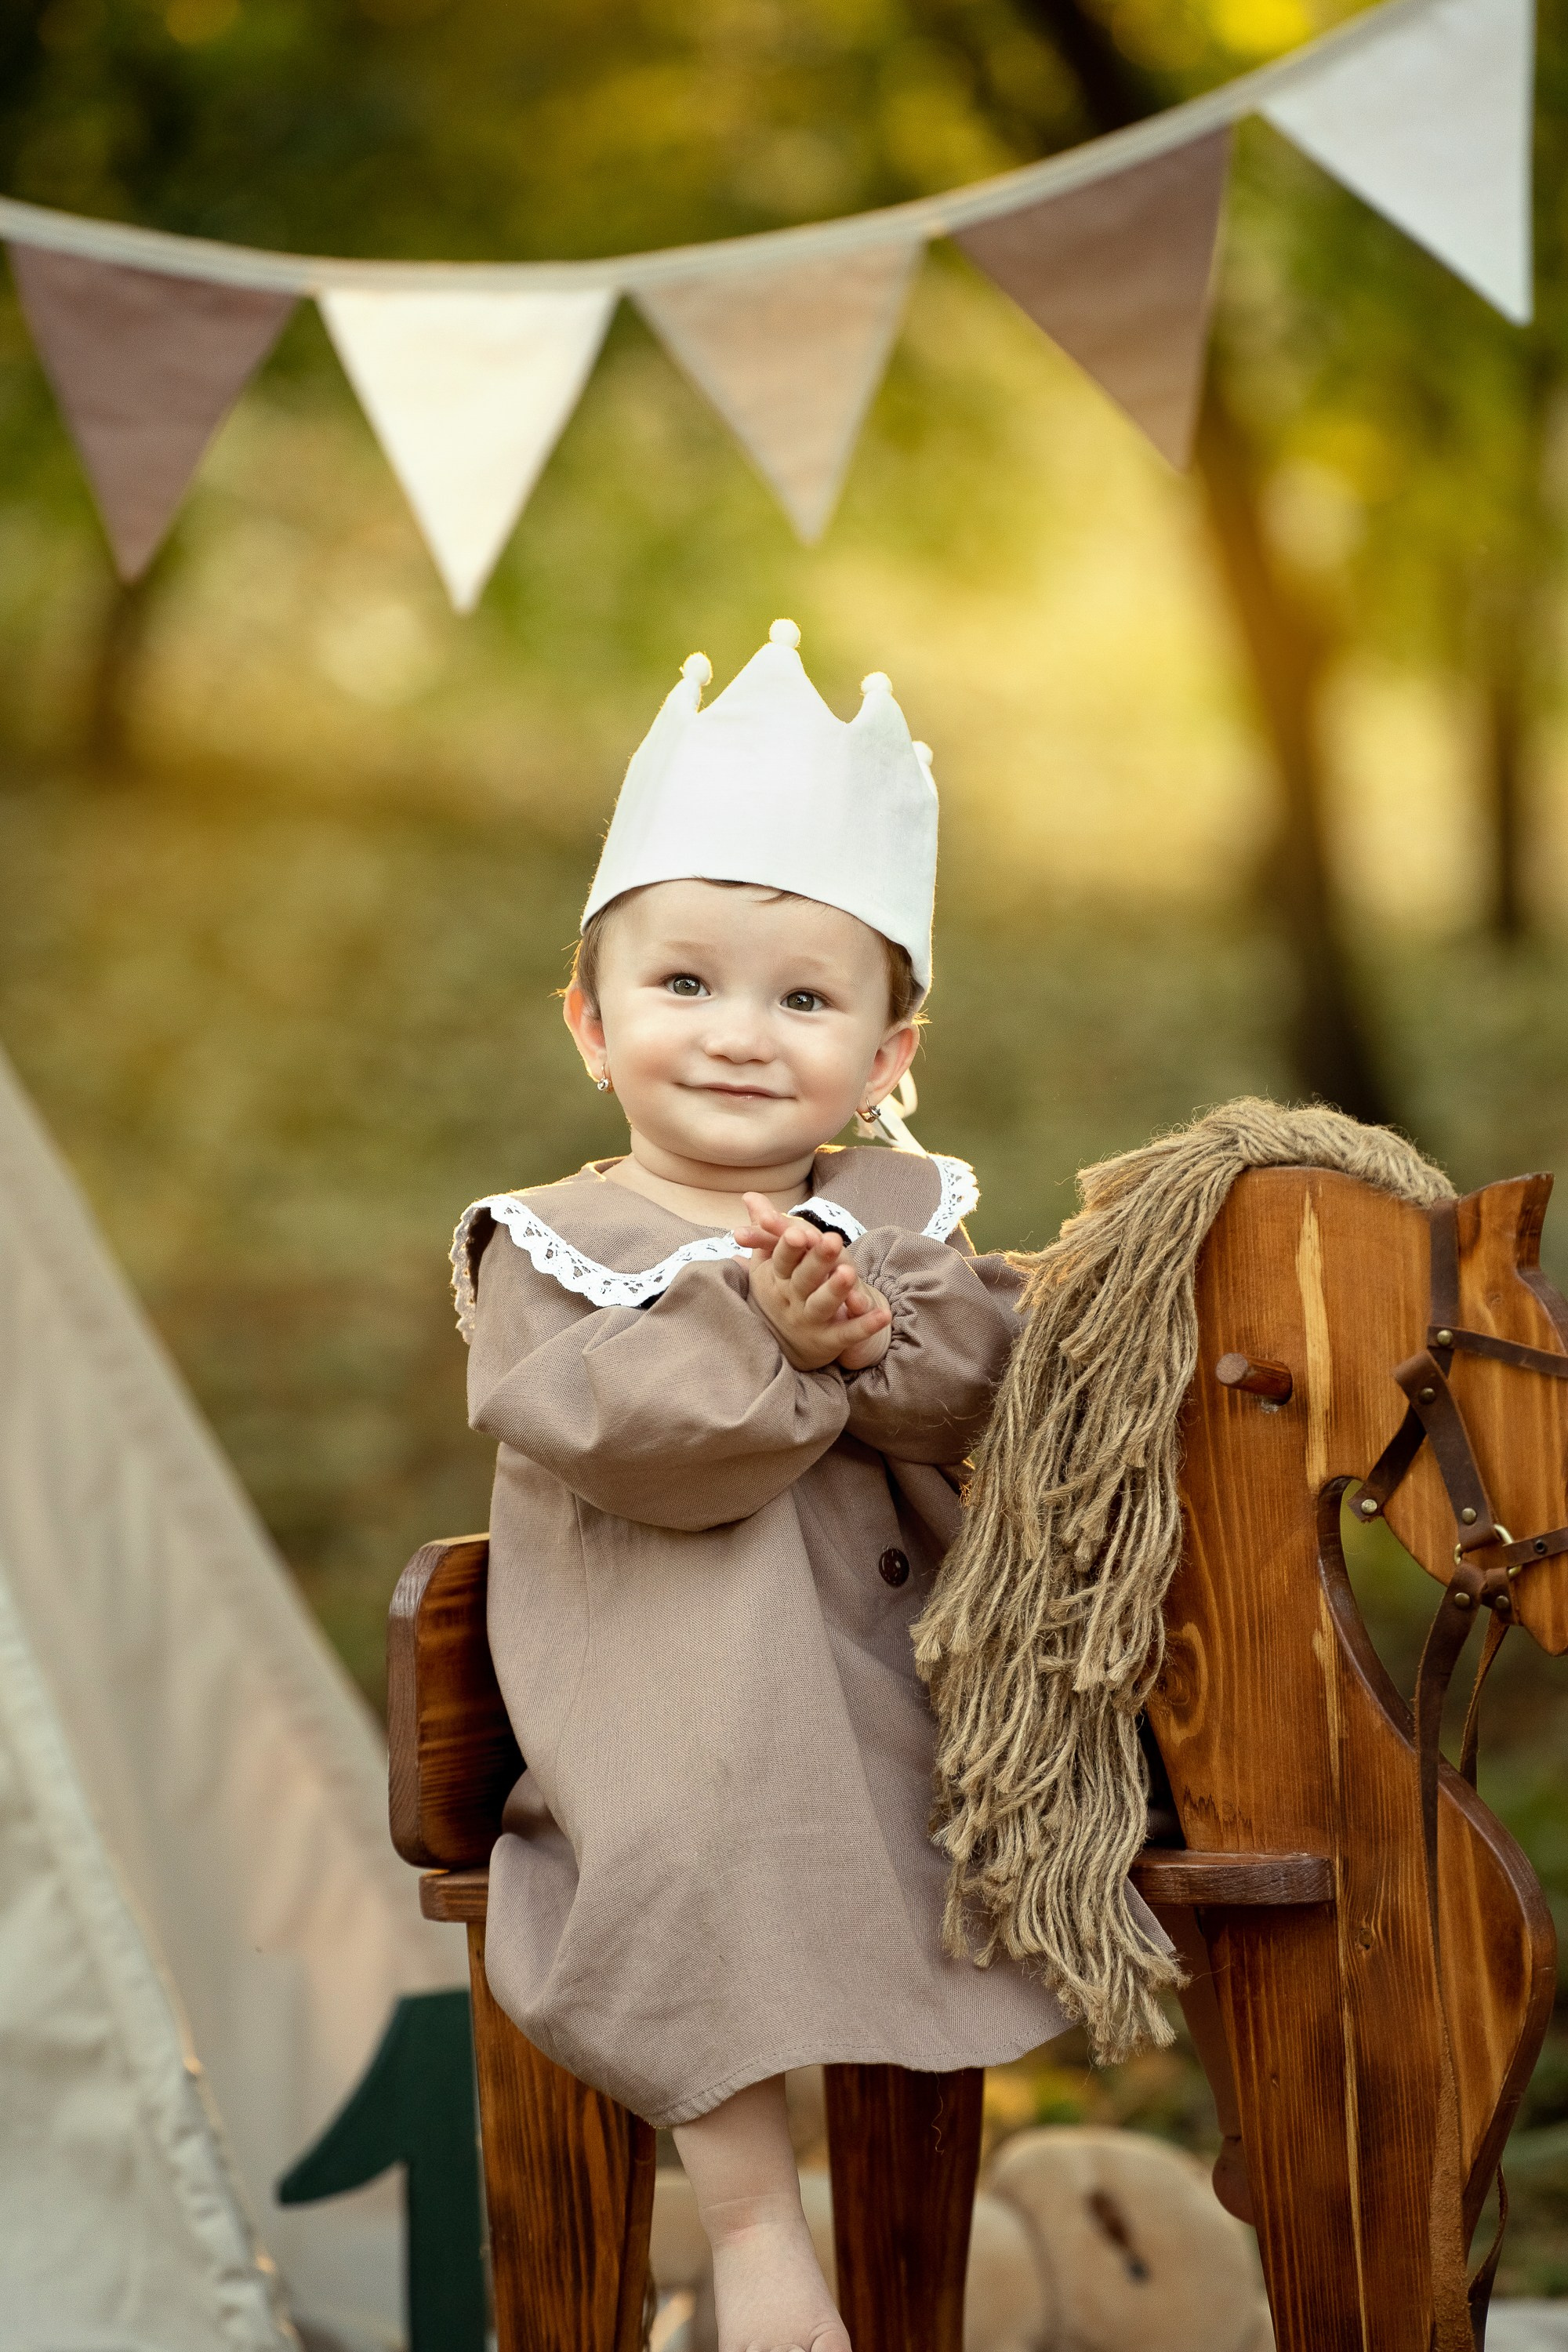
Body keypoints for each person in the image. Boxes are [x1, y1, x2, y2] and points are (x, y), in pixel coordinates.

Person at [452, 622, 1076, 2352]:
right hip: (670, 1693)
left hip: (896, 1685)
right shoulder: (556, 1249)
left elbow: (979, 1399)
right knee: (698, 1850)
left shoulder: (903, 1221)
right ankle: (752, 2234)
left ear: (887, 1058)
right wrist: (778, 1346)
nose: (739, 1034)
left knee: (976, 1838)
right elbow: (627, 1442)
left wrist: (873, 1327)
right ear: (590, 1023)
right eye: (684, 986)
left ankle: (913, 2257)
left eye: (805, 999)